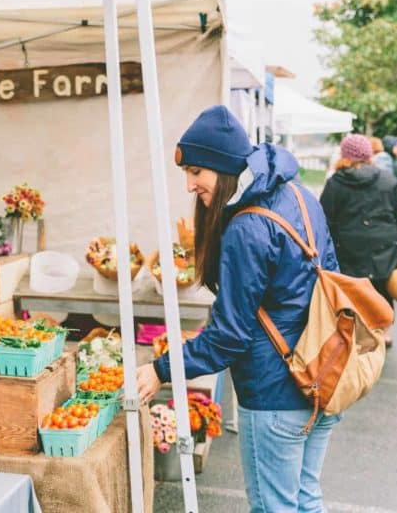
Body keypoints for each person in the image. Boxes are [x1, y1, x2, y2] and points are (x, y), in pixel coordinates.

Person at [136, 105, 340, 513]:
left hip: (274, 392)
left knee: (274, 507)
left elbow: (229, 338)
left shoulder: (246, 227)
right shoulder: (298, 194)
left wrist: (160, 369)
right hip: (323, 373)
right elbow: (331, 275)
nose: (190, 184)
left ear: (224, 167)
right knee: (305, 500)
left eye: (196, 172)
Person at [320, 134, 397, 347]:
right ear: (369, 155)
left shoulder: (336, 183)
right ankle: (384, 331)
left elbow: (326, 218)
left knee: (357, 288)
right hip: (386, 243)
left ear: (345, 156)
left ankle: (361, 330)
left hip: (349, 245)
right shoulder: (388, 179)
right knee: (382, 285)